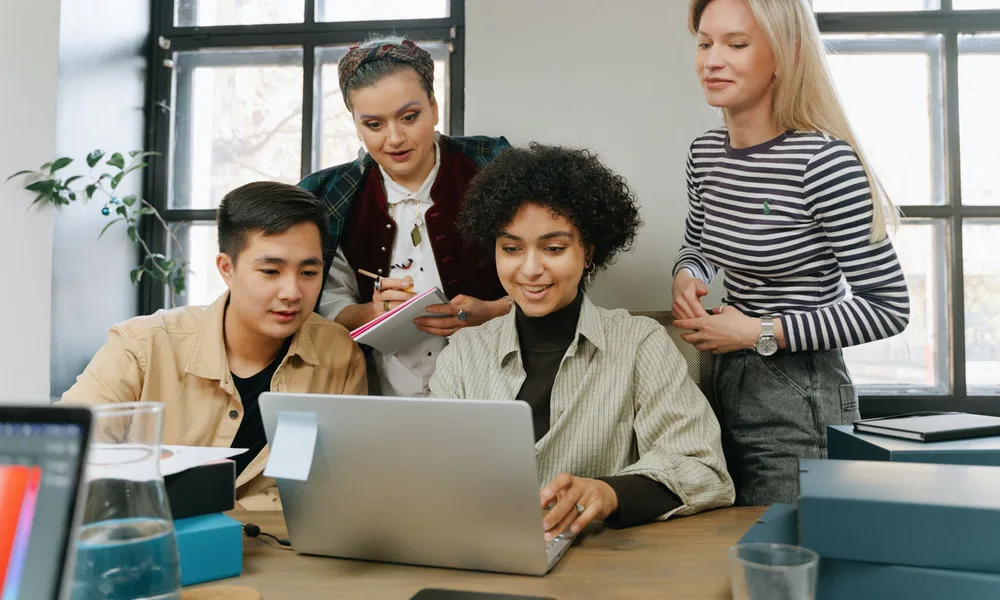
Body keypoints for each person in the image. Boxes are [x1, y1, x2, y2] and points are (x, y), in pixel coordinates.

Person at [672, 0, 911, 506]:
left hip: (801, 390)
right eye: (704, 43)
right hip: (723, 379)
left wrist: (755, 331)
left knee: (788, 549)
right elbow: (700, 246)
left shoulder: (824, 163)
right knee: (728, 546)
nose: (712, 60)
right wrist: (688, 275)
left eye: (737, 44)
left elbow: (888, 308)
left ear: (785, 55)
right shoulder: (705, 153)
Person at [429, 144, 734, 539]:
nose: (531, 269)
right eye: (511, 249)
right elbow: (431, 474)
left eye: (553, 248)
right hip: (483, 554)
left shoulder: (639, 344)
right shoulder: (464, 354)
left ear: (588, 251)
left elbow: (704, 469)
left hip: (602, 564)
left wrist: (608, 493)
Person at [61, 182, 366, 509]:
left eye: (308, 272)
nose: (292, 292)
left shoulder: (338, 355)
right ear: (226, 268)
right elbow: (63, 454)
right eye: (270, 271)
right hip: (161, 534)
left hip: (282, 539)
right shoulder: (142, 346)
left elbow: (344, 487)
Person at [300, 36, 513, 397]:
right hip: (380, 393)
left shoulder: (491, 166)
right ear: (356, 124)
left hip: (495, 386)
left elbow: (550, 272)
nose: (395, 138)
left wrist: (491, 312)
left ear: (434, 107)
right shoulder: (330, 194)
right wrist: (371, 312)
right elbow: (327, 300)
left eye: (409, 117)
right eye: (374, 124)